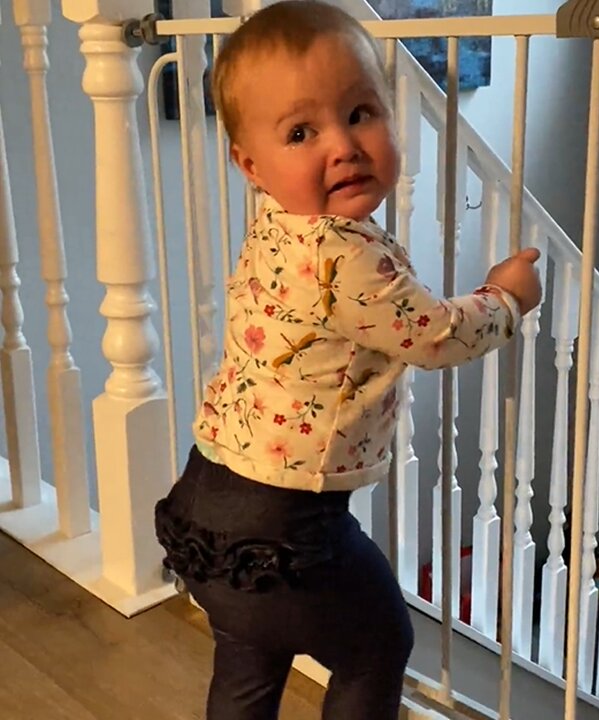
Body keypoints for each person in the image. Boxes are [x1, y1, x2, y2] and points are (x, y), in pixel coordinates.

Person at [153, 2, 541, 718]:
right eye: (302, 132)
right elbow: (438, 335)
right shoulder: (345, 254)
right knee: (376, 645)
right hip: (285, 524)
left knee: (248, 657)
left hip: (205, 500)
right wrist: (507, 299)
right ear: (251, 164)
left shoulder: (277, 225)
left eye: (361, 112)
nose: (343, 146)